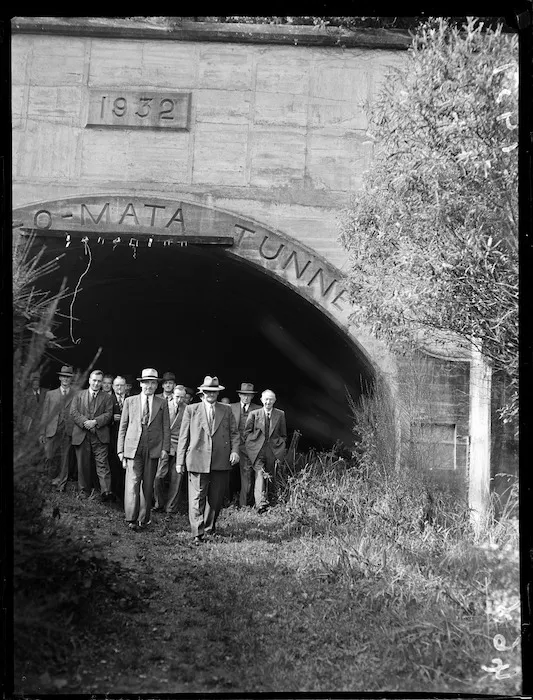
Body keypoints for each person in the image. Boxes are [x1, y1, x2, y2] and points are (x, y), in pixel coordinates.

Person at [176, 376, 240, 545]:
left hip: (220, 460)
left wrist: (234, 451)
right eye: (208, 391)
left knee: (216, 497)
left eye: (214, 391)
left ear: (218, 393)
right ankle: (197, 532)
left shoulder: (226, 409)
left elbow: (234, 433)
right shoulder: (192, 409)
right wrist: (179, 461)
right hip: (197, 459)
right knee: (197, 496)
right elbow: (184, 436)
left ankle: (209, 528)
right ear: (202, 392)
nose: (211, 394)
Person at [117, 368, 170, 531]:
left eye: (153, 383)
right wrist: (120, 450)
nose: (149, 386)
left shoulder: (162, 403)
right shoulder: (130, 401)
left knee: (148, 484)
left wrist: (165, 449)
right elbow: (123, 426)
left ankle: (144, 518)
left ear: (156, 385)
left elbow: (166, 427)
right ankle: (131, 518)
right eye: (146, 382)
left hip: (153, 447)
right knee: (133, 482)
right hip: (133, 446)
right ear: (141, 384)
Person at [70, 369, 114, 500]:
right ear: (89, 380)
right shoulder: (78, 395)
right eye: (94, 380)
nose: (96, 383)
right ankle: (84, 492)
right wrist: (85, 422)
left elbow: (109, 414)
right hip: (82, 434)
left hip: (100, 435)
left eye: (99, 381)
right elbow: (73, 412)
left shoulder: (107, 397)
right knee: (82, 464)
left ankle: (106, 492)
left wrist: (95, 422)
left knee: (102, 464)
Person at [244, 389, 287, 513]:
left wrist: (281, 445)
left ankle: (272, 502)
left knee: (272, 475)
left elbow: (283, 434)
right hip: (257, 451)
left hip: (274, 450)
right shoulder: (254, 414)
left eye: (271, 399)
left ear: (274, 401)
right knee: (260, 475)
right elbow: (246, 433)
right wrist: (251, 446)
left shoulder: (280, 414)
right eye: (266, 399)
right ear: (262, 400)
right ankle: (261, 504)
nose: (268, 402)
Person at [40, 365, 76, 490]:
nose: (66, 379)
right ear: (60, 377)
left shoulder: (76, 394)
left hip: (68, 431)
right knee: (49, 457)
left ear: (71, 379)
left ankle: (61, 485)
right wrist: (42, 433)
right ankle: (48, 482)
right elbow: (45, 414)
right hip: (52, 429)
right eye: (64, 376)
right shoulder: (50, 394)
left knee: (65, 459)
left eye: (68, 377)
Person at [153, 384, 187, 513]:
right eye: (177, 397)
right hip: (165, 445)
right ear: (172, 395)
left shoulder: (187, 409)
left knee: (177, 478)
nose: (179, 400)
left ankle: (171, 508)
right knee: (159, 476)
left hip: (180, 446)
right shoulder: (164, 405)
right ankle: (158, 503)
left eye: (182, 397)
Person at [230, 382, 261, 507]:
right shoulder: (231, 407)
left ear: (252, 396)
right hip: (232, 447)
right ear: (239, 395)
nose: (246, 397)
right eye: (243, 394)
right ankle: (226, 502)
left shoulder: (258, 409)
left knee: (247, 477)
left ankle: (244, 505)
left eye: (248, 395)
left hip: (249, 449)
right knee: (227, 476)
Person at [109, 375, 127, 502]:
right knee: (113, 465)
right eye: (117, 385)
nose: (119, 388)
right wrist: (111, 418)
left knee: (125, 467)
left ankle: (124, 494)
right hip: (112, 436)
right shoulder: (108, 399)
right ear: (113, 386)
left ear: (126, 387)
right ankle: (114, 493)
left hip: (127, 438)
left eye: (121, 385)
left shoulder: (131, 399)